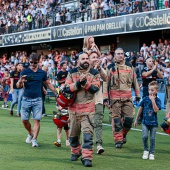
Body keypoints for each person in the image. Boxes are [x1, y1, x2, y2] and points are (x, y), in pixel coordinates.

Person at [64, 53, 100, 167]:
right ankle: (76, 151)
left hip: (88, 111)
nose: (85, 60)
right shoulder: (72, 72)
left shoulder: (94, 73)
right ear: (78, 60)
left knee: (87, 136)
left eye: (86, 58)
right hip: (73, 111)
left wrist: (85, 82)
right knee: (72, 136)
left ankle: (87, 158)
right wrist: (78, 83)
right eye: (82, 58)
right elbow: (66, 88)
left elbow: (95, 88)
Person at [16, 53, 58, 148]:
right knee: (24, 120)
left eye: (35, 62)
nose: (33, 64)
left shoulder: (42, 73)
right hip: (26, 99)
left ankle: (34, 139)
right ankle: (30, 133)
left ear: (38, 62)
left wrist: (56, 93)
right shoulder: (24, 72)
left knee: (37, 120)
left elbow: (48, 84)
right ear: (29, 61)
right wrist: (20, 81)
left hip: (38, 99)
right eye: (31, 62)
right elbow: (18, 86)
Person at [103, 47, 140, 148]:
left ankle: (123, 134)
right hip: (115, 100)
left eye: (122, 53)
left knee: (129, 120)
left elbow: (135, 81)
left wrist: (137, 95)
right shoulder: (110, 67)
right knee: (116, 121)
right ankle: (118, 140)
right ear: (114, 55)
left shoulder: (129, 67)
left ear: (124, 55)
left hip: (128, 98)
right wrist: (105, 98)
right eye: (118, 54)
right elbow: (106, 83)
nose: (120, 55)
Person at [134, 81, 161, 160]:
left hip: (154, 123)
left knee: (153, 138)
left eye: (152, 90)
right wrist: (136, 119)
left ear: (156, 91)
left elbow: (156, 110)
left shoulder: (158, 100)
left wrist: (153, 101)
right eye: (149, 90)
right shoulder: (145, 99)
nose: (150, 92)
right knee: (144, 136)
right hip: (145, 122)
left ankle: (152, 153)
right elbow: (140, 109)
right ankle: (146, 150)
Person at [89, 51, 106, 154]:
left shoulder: (100, 69)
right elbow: (88, 81)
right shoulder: (86, 70)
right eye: (93, 57)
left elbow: (105, 78)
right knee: (88, 124)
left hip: (98, 100)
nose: (95, 59)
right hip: (87, 101)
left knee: (98, 123)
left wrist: (99, 68)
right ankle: (88, 143)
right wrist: (95, 69)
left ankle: (99, 144)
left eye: (96, 57)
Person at [54, 61, 70, 147]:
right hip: (60, 110)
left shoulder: (68, 91)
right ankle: (58, 140)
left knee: (67, 127)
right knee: (59, 125)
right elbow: (57, 99)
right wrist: (58, 106)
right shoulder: (58, 91)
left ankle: (67, 140)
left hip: (66, 110)